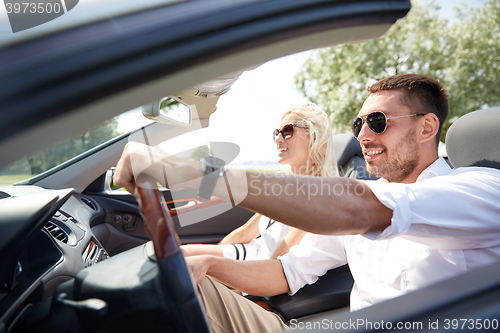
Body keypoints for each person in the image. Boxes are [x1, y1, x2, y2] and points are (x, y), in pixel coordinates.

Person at [114, 74, 500, 333]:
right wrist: (211, 263)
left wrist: (194, 174)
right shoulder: (364, 198)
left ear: (427, 127)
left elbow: (363, 207)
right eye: (358, 124)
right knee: (174, 284)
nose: (363, 136)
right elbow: (287, 271)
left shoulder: (480, 190)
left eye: (378, 122)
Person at [181, 105, 338, 262]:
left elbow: (274, 266)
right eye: (276, 133)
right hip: (249, 253)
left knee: (185, 266)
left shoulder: (318, 197)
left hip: (258, 270)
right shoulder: (281, 185)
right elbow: (245, 233)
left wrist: (218, 271)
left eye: (287, 131)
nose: (278, 139)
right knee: (180, 255)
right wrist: (216, 251)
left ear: (314, 136)